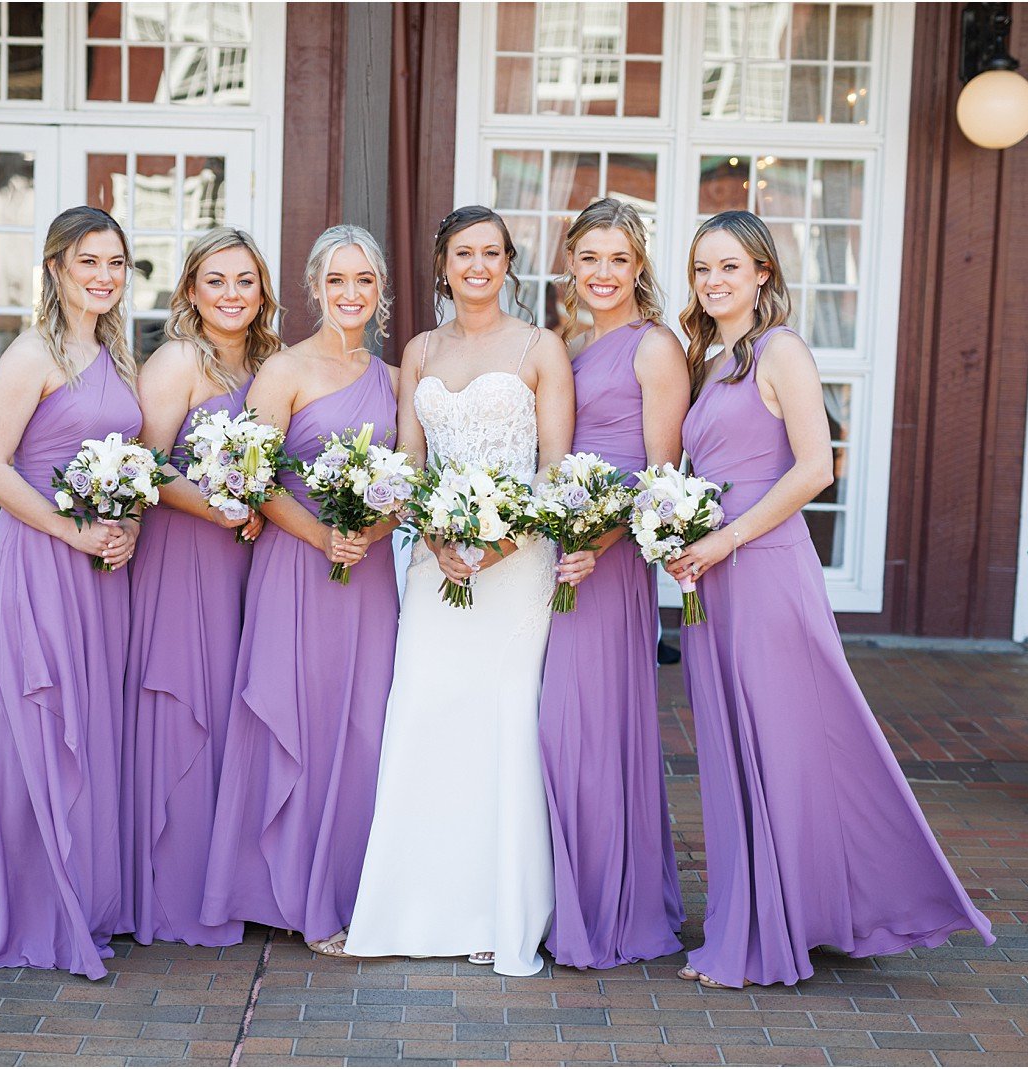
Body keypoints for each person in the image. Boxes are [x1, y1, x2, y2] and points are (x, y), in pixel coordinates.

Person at [668, 210, 995, 989]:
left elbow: (816, 468)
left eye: (731, 267)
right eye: (703, 269)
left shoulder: (783, 351)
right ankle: (763, 913)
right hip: (715, 574)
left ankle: (776, 929)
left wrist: (725, 536)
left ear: (763, 275)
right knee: (735, 746)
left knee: (786, 741)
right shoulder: (712, 358)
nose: (715, 282)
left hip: (765, 566)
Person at [345, 206, 574, 977]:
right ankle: (411, 907)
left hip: (518, 567)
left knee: (501, 724)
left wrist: (501, 542)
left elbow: (555, 467)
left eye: (492, 252)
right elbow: (410, 462)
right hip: (435, 567)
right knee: (423, 714)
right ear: (442, 264)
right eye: (463, 253)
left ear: (510, 262)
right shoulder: (418, 350)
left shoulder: (542, 347)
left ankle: (498, 911)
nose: (478, 265)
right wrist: (436, 537)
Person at [201, 225, 401, 957]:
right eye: (337, 280)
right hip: (295, 564)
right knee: (297, 714)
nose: (351, 294)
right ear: (315, 287)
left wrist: (369, 534)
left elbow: (406, 481)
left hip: (368, 571)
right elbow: (250, 478)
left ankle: (345, 888)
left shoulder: (397, 376)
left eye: (365, 281)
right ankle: (285, 892)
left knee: (362, 726)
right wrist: (321, 536)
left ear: (381, 293)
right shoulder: (283, 370)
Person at [0, 205, 141, 979]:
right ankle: (39, 915)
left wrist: (126, 521)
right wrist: (73, 533)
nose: (103, 277)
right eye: (88, 262)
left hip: (99, 576)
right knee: (40, 742)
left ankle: (85, 898)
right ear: (55, 270)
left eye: (115, 264)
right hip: (35, 569)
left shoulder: (118, 353)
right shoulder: (30, 354)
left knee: (90, 742)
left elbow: (129, 461)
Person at [540, 199, 690, 970]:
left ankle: (608, 907)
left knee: (590, 726)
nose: (603, 273)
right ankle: (561, 893)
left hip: (611, 560)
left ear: (639, 268)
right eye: (589, 258)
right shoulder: (567, 342)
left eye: (618, 259)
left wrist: (596, 540)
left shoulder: (654, 347)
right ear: (573, 263)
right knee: (553, 728)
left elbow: (659, 475)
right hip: (560, 550)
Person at [119, 227, 279, 946]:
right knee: (189, 706)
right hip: (183, 555)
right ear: (190, 291)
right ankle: (174, 885)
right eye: (216, 281)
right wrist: (217, 506)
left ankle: (227, 877)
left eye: (244, 280)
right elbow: (143, 464)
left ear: (262, 291)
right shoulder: (179, 359)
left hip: (246, 558)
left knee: (232, 708)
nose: (231, 295)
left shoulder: (275, 361)